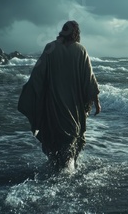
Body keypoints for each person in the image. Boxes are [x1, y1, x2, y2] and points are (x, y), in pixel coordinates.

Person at [18, 20, 101, 171]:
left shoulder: (50, 48)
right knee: (70, 144)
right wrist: (96, 101)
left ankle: (53, 173)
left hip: (52, 108)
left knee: (53, 142)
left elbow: (37, 75)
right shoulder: (81, 50)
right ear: (76, 33)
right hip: (73, 110)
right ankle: (66, 178)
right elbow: (89, 79)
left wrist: (30, 94)